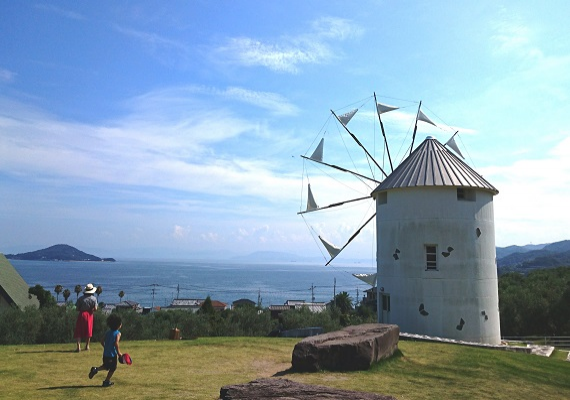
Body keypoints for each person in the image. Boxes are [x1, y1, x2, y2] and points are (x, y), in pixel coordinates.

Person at [89, 313, 123, 387]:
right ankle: (107, 381)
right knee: (113, 368)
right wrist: (119, 353)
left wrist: (106, 347)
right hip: (112, 355)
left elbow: (101, 341)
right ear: (118, 325)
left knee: (106, 366)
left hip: (105, 354)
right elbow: (116, 343)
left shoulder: (108, 332)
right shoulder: (118, 333)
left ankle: (95, 369)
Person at [74, 283, 98, 352]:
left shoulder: (81, 299)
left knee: (79, 330)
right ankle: (87, 346)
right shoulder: (94, 299)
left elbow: (77, 308)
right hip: (89, 315)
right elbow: (95, 308)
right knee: (88, 330)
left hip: (82, 314)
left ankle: (78, 347)